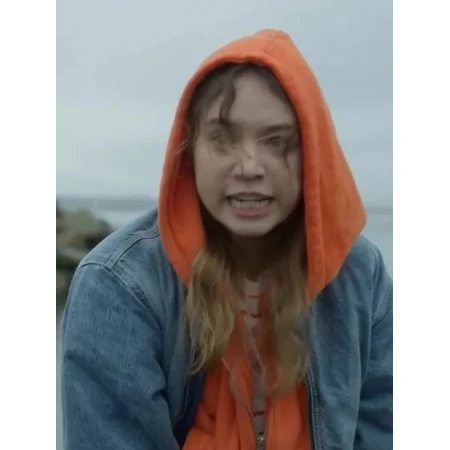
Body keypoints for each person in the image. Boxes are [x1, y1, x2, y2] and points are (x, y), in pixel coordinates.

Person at [61, 29, 393, 450]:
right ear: (189, 151)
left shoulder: (359, 274)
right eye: (222, 139)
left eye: (277, 141)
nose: (250, 167)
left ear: (314, 152)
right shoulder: (117, 287)